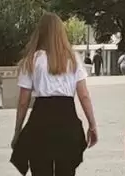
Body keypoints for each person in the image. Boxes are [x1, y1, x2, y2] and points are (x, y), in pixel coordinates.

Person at [10, 13, 98, 176]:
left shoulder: (31, 60)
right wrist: (92, 125)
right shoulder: (73, 59)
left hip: (40, 119)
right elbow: (84, 95)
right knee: (66, 169)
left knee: (41, 168)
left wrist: (18, 131)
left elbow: (23, 101)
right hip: (67, 118)